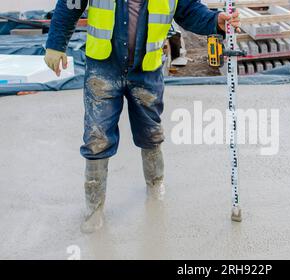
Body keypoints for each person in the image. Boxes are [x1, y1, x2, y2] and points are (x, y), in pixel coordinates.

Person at [44, 0, 240, 233]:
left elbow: (188, 10)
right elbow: (70, 4)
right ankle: (94, 208)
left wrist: (214, 21)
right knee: (97, 137)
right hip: (104, 66)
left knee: (151, 131)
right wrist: (56, 45)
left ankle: (155, 184)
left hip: (146, 69)